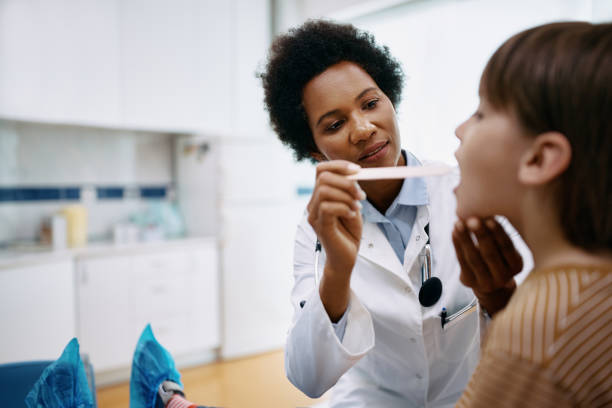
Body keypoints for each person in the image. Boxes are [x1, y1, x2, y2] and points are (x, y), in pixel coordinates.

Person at [259, 20, 531, 407]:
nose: (364, 129)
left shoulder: (468, 193)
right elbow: (309, 377)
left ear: (391, 99)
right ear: (315, 150)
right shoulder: (315, 230)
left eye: (371, 103)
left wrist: (496, 297)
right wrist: (337, 269)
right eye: (335, 124)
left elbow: (530, 326)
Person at [453, 21, 612, 407]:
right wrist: (503, 302)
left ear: (539, 158)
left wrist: (516, 326)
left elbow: (547, 354)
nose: (459, 131)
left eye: (480, 114)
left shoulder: (535, 336)